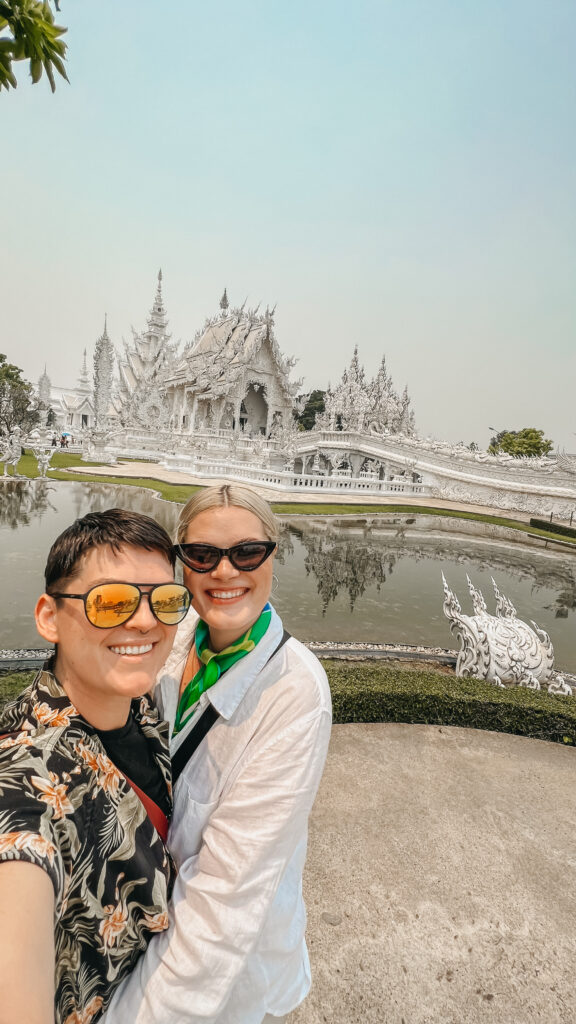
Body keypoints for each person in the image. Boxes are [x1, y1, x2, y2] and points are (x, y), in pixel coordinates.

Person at [104, 484, 332, 1024]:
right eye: (202, 555)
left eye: (247, 552)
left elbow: (226, 899)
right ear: (182, 564)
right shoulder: (171, 634)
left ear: (273, 554)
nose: (225, 572)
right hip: (140, 916)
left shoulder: (296, 693)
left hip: (223, 968)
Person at [0, 508, 192, 1024]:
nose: (147, 622)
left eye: (167, 601)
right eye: (110, 603)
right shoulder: (29, 779)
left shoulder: (141, 704)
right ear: (48, 618)